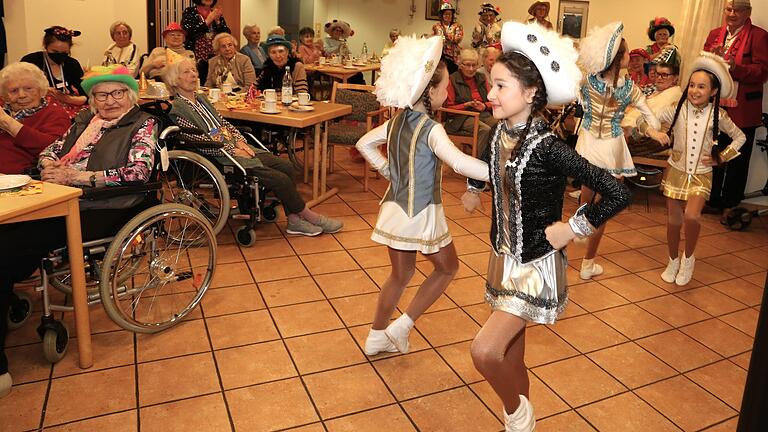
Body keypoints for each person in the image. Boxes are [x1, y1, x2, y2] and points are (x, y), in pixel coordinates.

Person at [462, 21, 630, 431]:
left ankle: (518, 416)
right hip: (503, 256)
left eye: (501, 86)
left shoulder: (549, 146)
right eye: (491, 84)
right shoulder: (500, 129)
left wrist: (573, 227)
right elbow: (490, 160)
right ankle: (521, 423)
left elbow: (617, 192)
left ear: (531, 92)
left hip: (535, 266)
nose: (490, 93)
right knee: (512, 355)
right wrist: (473, 186)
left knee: (485, 352)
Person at [0, 65, 158, 399]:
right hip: (62, 196)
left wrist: (76, 178)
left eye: (117, 93)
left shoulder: (143, 123)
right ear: (92, 99)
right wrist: (49, 165)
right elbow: (49, 150)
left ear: (129, 95)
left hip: (107, 205)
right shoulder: (85, 120)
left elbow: (138, 173)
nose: (109, 100)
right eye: (101, 94)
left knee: (10, 247)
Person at [355, 35, 489, 357]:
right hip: (421, 214)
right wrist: (501, 170)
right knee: (447, 268)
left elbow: (363, 144)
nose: (446, 93)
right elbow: (458, 162)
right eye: (443, 88)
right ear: (429, 91)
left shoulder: (396, 120)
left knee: (400, 275)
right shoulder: (432, 129)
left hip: (394, 210)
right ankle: (402, 327)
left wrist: (390, 173)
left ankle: (377, 336)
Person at [166, 58, 343, 236]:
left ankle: (294, 220)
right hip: (220, 157)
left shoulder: (201, 98)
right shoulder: (178, 109)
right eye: (187, 72)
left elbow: (223, 124)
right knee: (280, 179)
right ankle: (309, 216)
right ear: (175, 80)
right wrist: (232, 150)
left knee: (286, 166)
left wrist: (240, 141)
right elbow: (198, 141)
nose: (194, 75)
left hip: (235, 147)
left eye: (194, 70)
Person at [642, 53, 746, 285]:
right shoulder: (675, 110)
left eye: (701, 86)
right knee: (673, 220)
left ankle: (688, 258)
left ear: (713, 92)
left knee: (692, 216)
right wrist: (650, 130)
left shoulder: (718, 115)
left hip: (701, 175)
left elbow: (740, 137)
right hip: (676, 171)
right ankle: (672, 260)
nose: (695, 91)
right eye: (691, 85)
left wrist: (722, 158)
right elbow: (647, 118)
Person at [575, 22, 661, 280]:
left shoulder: (587, 82)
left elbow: (571, 95)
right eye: (625, 53)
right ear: (617, 58)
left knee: (588, 197)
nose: (629, 56)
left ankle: (580, 230)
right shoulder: (629, 89)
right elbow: (650, 118)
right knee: (605, 204)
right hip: (612, 148)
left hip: (588, 144)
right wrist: (652, 129)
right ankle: (588, 263)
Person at [703, 0, 768, 213]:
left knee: (737, 157)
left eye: (737, 9)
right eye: (729, 9)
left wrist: (734, 67)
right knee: (714, 151)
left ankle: (730, 203)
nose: (732, 13)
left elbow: (762, 72)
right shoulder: (714, 34)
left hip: (743, 108)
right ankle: (711, 198)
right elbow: (704, 64)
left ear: (747, 12)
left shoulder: (759, 35)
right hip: (716, 105)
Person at [0, 62, 70, 174]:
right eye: (14, 90)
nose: (22, 95)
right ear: (4, 95)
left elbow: (54, 149)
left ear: (41, 90)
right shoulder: (3, 111)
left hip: (21, 180)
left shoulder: (55, 114)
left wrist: (8, 123)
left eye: (28, 88)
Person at [21, 26, 87, 119]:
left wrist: (65, 98)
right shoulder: (31, 61)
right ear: (45, 46)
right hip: (38, 112)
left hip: (70, 113)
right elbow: (21, 90)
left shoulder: (72, 64)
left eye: (64, 52)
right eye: (54, 51)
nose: (59, 55)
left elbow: (85, 97)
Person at [444, 48, 499, 157]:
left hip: (481, 113)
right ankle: (479, 162)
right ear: (460, 64)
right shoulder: (452, 79)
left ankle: (495, 159)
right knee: (484, 130)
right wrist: (466, 105)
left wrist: (484, 106)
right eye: (468, 65)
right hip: (460, 118)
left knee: (500, 125)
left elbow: (492, 100)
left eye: (474, 65)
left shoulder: (481, 77)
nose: (471, 69)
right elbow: (448, 109)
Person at [623, 62, 683, 155]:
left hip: (647, 138)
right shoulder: (657, 91)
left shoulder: (674, 93)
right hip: (636, 128)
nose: (659, 78)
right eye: (658, 74)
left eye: (664, 75)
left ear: (675, 78)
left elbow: (652, 120)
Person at [181, 0, 230, 84]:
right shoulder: (190, 11)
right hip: (195, 57)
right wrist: (208, 20)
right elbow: (190, 33)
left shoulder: (216, 12)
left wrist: (218, 21)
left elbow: (226, 35)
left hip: (214, 58)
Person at [432, 0, 464, 74]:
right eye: (445, 14)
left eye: (450, 14)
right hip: (440, 55)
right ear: (441, 15)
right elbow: (434, 39)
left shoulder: (457, 26)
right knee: (441, 74)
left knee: (452, 74)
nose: (448, 16)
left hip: (453, 56)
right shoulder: (436, 26)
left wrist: (446, 35)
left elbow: (458, 39)